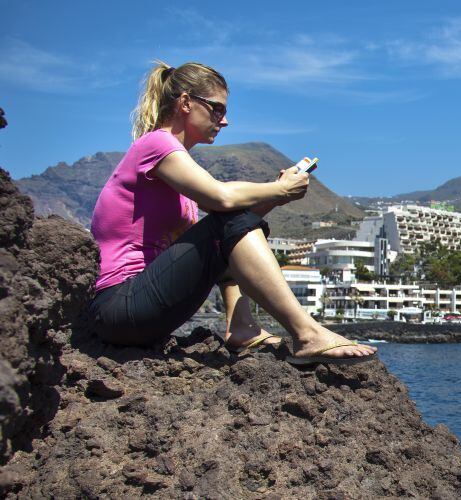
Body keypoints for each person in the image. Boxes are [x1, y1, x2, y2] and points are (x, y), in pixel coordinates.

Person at [83, 61, 374, 365]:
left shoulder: (176, 179)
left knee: (227, 230)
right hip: (117, 307)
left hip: (142, 310)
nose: (224, 121)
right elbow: (222, 197)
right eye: (217, 109)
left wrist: (277, 194)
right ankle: (307, 333)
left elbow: (231, 223)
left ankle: (242, 327)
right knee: (227, 221)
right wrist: (280, 190)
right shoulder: (156, 143)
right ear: (185, 103)